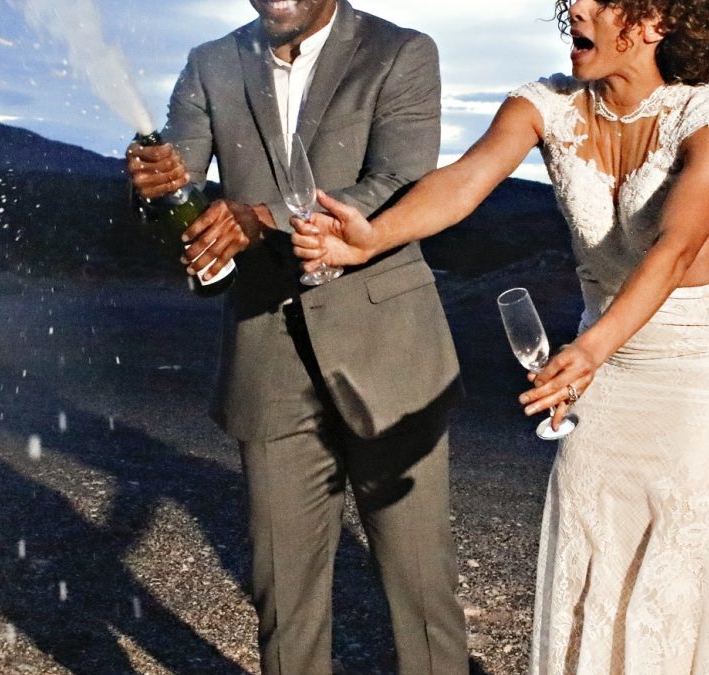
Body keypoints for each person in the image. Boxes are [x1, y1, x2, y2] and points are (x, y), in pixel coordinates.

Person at [291, 0, 709, 672]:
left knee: (679, 553)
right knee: (589, 527)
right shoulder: (545, 103)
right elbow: (463, 182)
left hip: (701, 361)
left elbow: (677, 247)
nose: (576, 6)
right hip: (598, 354)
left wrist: (593, 348)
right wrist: (372, 238)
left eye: (602, 0)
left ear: (657, 21)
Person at [125, 1, 469, 674]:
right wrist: (157, 190)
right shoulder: (209, 65)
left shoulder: (402, 52)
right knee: (283, 597)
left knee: (421, 590)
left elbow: (398, 183)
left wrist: (262, 217)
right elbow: (186, 190)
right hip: (267, 356)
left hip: (390, 356)